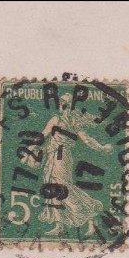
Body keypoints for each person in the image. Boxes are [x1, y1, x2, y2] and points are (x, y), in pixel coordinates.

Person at [34, 92, 114, 237]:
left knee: (63, 186)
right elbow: (43, 134)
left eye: (66, 104)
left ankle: (91, 214)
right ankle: (60, 225)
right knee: (51, 187)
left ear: (71, 107)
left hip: (62, 156)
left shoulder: (74, 123)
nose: (62, 106)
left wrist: (102, 148)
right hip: (51, 156)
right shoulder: (55, 119)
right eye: (61, 103)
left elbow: (87, 140)